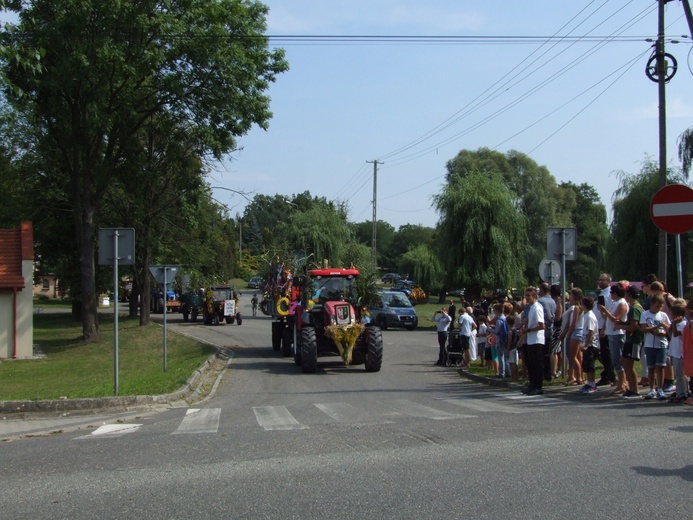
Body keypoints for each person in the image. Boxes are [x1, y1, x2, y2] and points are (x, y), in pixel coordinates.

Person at [599, 282, 629, 394]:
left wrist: (605, 310)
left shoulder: (622, 304)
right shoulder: (615, 303)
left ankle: (622, 383)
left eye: (612, 293)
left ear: (616, 293)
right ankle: (622, 382)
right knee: (615, 358)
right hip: (611, 333)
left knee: (617, 359)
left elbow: (616, 319)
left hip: (618, 334)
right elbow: (607, 318)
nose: (610, 294)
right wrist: (604, 328)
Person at [640, 293, 671, 400]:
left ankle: (660, 389)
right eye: (657, 306)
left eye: (661, 306)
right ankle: (652, 389)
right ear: (652, 304)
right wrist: (656, 327)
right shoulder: (645, 314)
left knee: (660, 367)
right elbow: (643, 329)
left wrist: (664, 330)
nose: (659, 308)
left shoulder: (663, 315)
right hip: (649, 344)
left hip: (661, 344)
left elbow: (669, 329)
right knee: (651, 367)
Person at [617, 285, 644, 399]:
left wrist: (620, 326)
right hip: (630, 339)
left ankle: (635, 389)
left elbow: (634, 325)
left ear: (629, 295)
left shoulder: (635, 308)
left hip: (634, 339)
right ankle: (631, 388)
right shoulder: (633, 307)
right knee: (624, 361)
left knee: (629, 363)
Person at [521, 286, 545, 395]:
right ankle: (532, 384)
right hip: (530, 340)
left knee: (537, 364)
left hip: (537, 340)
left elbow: (542, 325)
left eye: (528, 296)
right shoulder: (530, 308)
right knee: (530, 364)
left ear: (535, 296)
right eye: (525, 296)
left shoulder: (537, 308)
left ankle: (538, 386)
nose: (527, 298)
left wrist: (529, 330)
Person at [595, 273, 616, 387]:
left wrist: (604, 328)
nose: (600, 282)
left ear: (609, 281)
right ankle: (607, 373)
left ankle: (609, 375)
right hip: (600, 326)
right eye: (599, 280)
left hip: (605, 327)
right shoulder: (602, 293)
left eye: (602, 280)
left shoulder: (608, 294)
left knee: (606, 353)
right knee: (603, 352)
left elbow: (607, 311)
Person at [667, 299, 688, 403]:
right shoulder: (676, 324)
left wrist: (674, 323)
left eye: (671, 314)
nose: (670, 316)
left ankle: (682, 393)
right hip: (675, 351)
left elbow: (676, 334)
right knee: (680, 375)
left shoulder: (683, 324)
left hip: (680, 353)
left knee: (680, 375)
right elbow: (670, 333)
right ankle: (683, 391)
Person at [579, 297, 600, 394]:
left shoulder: (590, 316)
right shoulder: (585, 314)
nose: (580, 306)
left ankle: (593, 384)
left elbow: (591, 331)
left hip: (591, 344)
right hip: (586, 343)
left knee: (590, 365)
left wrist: (587, 344)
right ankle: (589, 382)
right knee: (586, 364)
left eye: (581, 304)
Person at [565, 288, 585, 386]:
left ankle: (579, 378)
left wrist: (568, 334)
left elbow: (574, 323)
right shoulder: (577, 307)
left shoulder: (577, 308)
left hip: (576, 332)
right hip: (578, 332)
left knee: (572, 356)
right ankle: (579, 376)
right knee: (577, 356)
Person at [537, 283, 556, 380]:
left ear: (542, 290)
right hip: (550, 328)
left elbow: (545, 316)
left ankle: (544, 373)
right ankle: (548, 373)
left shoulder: (540, 301)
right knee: (548, 353)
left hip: (543, 329)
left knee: (541, 353)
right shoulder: (552, 301)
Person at [549, 284, 564, 379]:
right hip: (556, 328)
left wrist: (550, 320)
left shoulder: (558, 302)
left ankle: (554, 371)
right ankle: (558, 370)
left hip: (557, 328)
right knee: (557, 350)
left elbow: (558, 317)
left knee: (553, 351)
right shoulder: (556, 301)